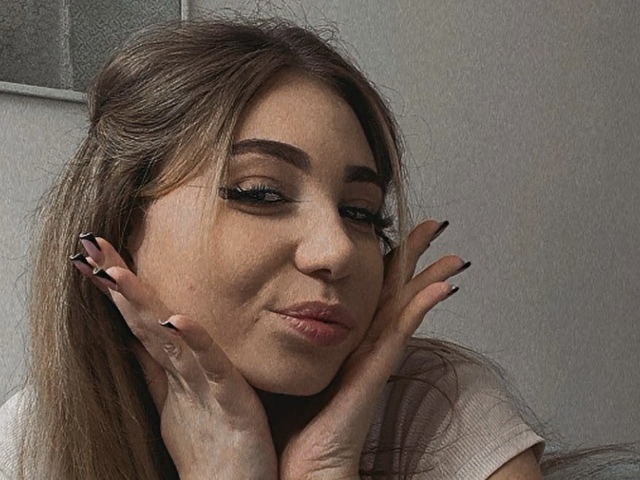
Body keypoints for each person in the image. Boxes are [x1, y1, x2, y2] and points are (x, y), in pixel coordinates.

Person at [0, 17, 549, 479]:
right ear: (121, 223)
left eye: (361, 212)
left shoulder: (436, 411)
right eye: (260, 192)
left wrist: (324, 469)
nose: (338, 250)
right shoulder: (35, 439)